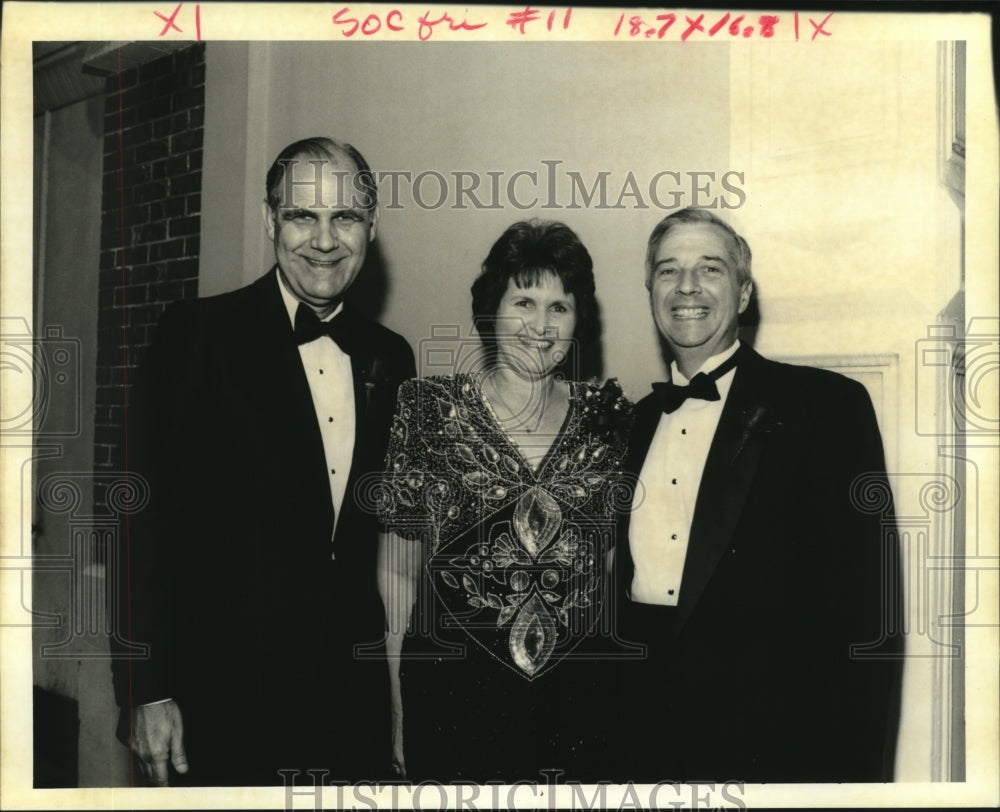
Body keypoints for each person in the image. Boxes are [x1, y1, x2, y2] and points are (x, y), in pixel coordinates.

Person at [110, 137, 415, 786]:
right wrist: (145, 686)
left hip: (346, 709)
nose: (325, 240)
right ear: (270, 220)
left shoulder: (393, 358)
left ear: (372, 227)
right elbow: (138, 521)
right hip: (219, 706)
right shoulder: (196, 337)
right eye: (303, 215)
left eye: (346, 218)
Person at [615, 207, 903, 782]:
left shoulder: (826, 407)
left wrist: (857, 784)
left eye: (710, 269)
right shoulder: (628, 424)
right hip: (646, 744)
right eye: (669, 271)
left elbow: (870, 614)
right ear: (650, 293)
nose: (687, 286)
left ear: (744, 294)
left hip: (776, 748)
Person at [376, 219, 632, 782]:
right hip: (453, 698)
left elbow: (608, 567)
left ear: (577, 319)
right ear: (492, 309)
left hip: (577, 705)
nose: (540, 326)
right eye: (524, 301)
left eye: (559, 307)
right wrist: (397, 711)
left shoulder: (607, 415)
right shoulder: (428, 410)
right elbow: (397, 575)